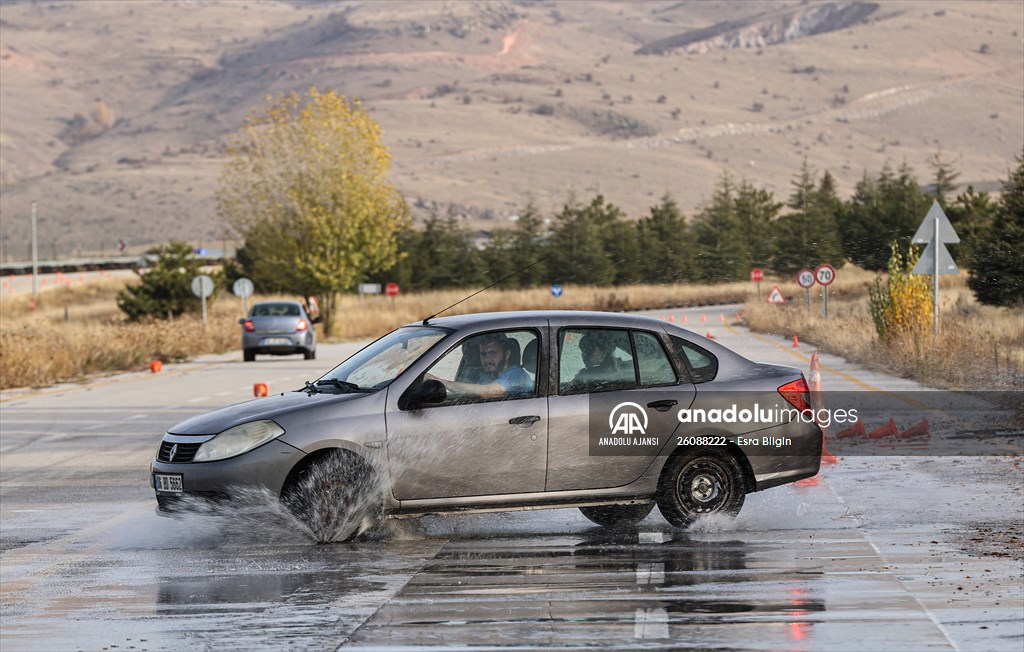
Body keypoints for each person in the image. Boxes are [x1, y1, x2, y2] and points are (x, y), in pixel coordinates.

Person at [428, 333, 533, 400]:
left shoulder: (516, 374)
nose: (487, 359)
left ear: (507, 354)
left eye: (492, 353)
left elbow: (488, 392)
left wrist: (439, 381)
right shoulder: (490, 375)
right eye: (483, 354)